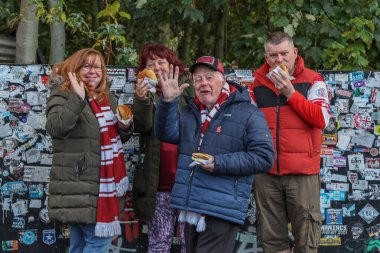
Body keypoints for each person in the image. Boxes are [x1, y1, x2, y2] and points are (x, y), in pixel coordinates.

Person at [154, 56, 275, 253]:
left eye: (209, 78)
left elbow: (264, 157)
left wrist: (218, 163)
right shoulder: (190, 111)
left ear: (223, 80)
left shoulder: (248, 112)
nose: (203, 84)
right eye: (198, 79)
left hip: (222, 208)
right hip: (190, 206)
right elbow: (165, 134)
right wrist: (167, 102)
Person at [249, 31, 331, 253]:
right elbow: (246, 126)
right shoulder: (256, 85)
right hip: (266, 173)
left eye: (284, 54)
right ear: (266, 58)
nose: (279, 60)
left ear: (295, 53)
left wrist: (291, 93)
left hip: (302, 173)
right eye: (273, 55)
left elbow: (322, 119)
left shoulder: (313, 80)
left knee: (306, 241)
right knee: (272, 241)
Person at [46, 48, 133, 253]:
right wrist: (77, 98)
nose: (93, 71)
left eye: (97, 67)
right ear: (74, 69)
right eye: (86, 66)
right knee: (97, 245)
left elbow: (113, 138)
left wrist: (125, 126)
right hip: (80, 186)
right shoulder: (62, 93)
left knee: (80, 246)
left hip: (96, 189)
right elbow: (55, 128)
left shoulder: (105, 97)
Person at [132, 44, 194, 253]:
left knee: (189, 242)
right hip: (157, 184)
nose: (157, 67)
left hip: (188, 182)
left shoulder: (187, 90)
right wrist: (141, 101)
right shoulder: (145, 93)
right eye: (151, 64)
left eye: (161, 62)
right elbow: (143, 126)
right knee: (159, 242)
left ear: (172, 65)